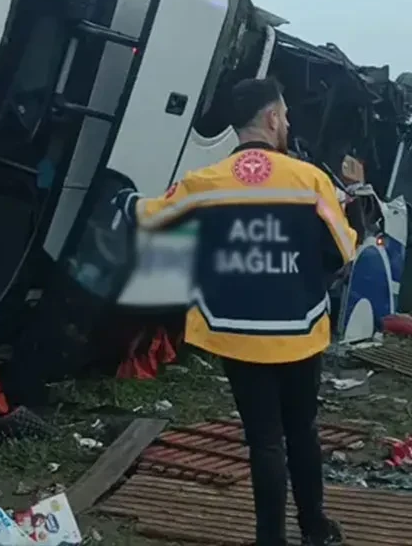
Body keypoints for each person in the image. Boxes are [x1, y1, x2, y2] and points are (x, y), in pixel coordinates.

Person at [115, 78, 354, 546]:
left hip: (234, 332)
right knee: (302, 430)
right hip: (299, 331)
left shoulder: (204, 182)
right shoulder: (309, 180)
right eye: (284, 115)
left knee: (264, 441)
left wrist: (118, 197)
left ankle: (271, 539)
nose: (286, 122)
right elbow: (344, 250)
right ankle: (315, 530)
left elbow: (150, 219)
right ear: (270, 119)